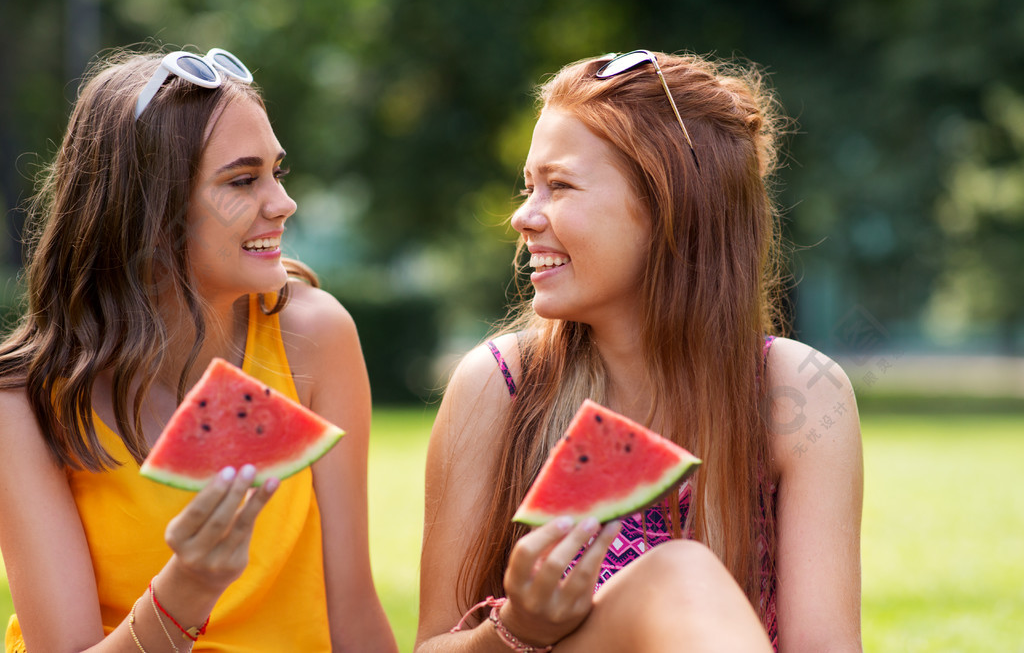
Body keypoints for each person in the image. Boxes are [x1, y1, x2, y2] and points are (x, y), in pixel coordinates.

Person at [416, 50, 863, 652]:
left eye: (560, 186)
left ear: (670, 208)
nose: (522, 217)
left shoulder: (801, 390)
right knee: (681, 574)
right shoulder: (499, 384)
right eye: (528, 187)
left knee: (683, 576)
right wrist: (519, 629)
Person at [0, 47, 398, 652]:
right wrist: (189, 587)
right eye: (242, 180)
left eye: (276, 172)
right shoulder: (23, 406)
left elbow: (353, 615)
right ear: (148, 211)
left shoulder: (315, 337)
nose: (282, 203)